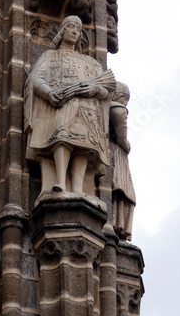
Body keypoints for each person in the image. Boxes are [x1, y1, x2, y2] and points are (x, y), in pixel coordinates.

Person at [25, 15, 115, 195]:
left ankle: (77, 188)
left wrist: (94, 90)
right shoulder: (50, 55)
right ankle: (59, 183)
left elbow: (107, 91)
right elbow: (35, 79)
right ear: (63, 30)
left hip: (87, 109)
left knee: (84, 145)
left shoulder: (90, 63)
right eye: (71, 27)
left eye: (78, 29)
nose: (75, 31)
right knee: (62, 138)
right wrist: (49, 94)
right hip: (61, 104)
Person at [109, 82, 136, 240]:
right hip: (116, 154)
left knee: (118, 190)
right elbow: (122, 138)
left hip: (112, 150)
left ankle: (116, 224)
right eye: (126, 99)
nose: (126, 103)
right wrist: (127, 146)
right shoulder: (118, 109)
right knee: (123, 190)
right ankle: (117, 224)